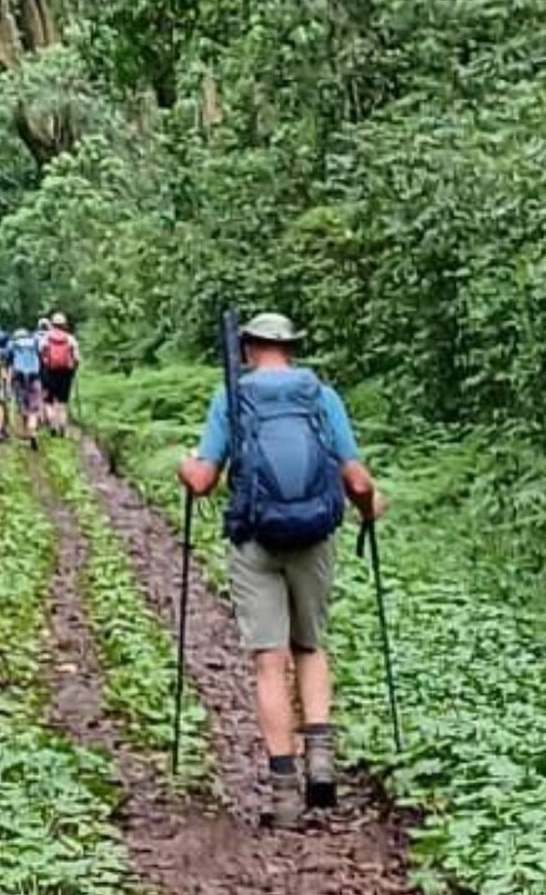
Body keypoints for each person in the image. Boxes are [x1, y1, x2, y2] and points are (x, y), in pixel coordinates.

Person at [176, 312, 386, 830]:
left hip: (255, 539)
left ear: (247, 349)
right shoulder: (321, 398)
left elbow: (202, 480)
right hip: (313, 536)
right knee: (310, 647)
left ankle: (286, 795)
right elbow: (356, 478)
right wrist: (367, 507)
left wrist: (184, 465)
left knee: (270, 663)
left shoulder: (232, 397)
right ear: (291, 349)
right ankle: (320, 760)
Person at [39, 310, 80, 436]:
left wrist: (46, 362)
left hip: (49, 372)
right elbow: (77, 358)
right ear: (64, 324)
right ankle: (62, 426)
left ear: (52, 323)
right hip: (66, 373)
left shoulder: (46, 338)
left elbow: (41, 353)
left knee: (48, 401)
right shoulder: (70, 338)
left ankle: (52, 424)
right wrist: (74, 368)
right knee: (62, 402)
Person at [7, 325, 44, 449]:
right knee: (33, 408)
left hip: (19, 379)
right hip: (34, 378)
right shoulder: (35, 343)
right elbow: (42, 360)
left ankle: (25, 431)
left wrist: (8, 382)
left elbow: (9, 365)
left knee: (22, 405)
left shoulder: (13, 345)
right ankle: (33, 432)